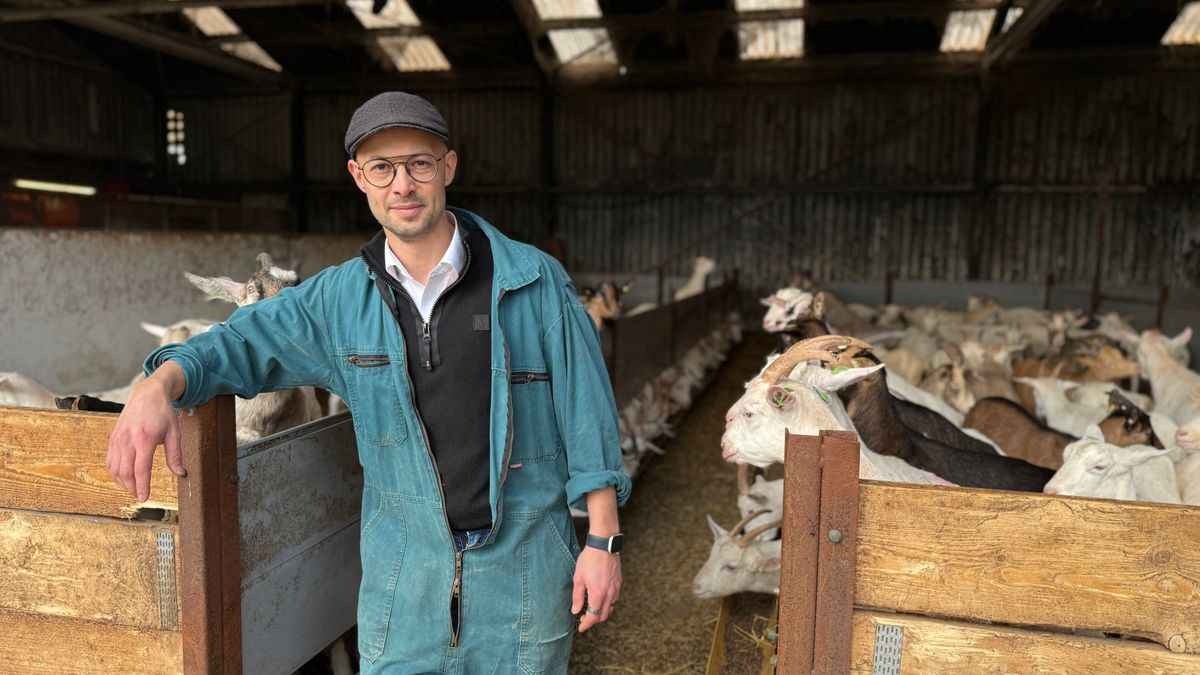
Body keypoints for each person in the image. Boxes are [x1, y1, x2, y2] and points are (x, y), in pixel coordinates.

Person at [106, 91, 631, 674]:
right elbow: (239, 341)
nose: (402, 184)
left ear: (448, 167)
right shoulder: (338, 301)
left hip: (524, 581)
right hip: (404, 591)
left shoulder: (534, 282)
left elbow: (587, 414)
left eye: (419, 164)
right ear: (359, 178)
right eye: (382, 168)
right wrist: (158, 383)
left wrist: (602, 542)